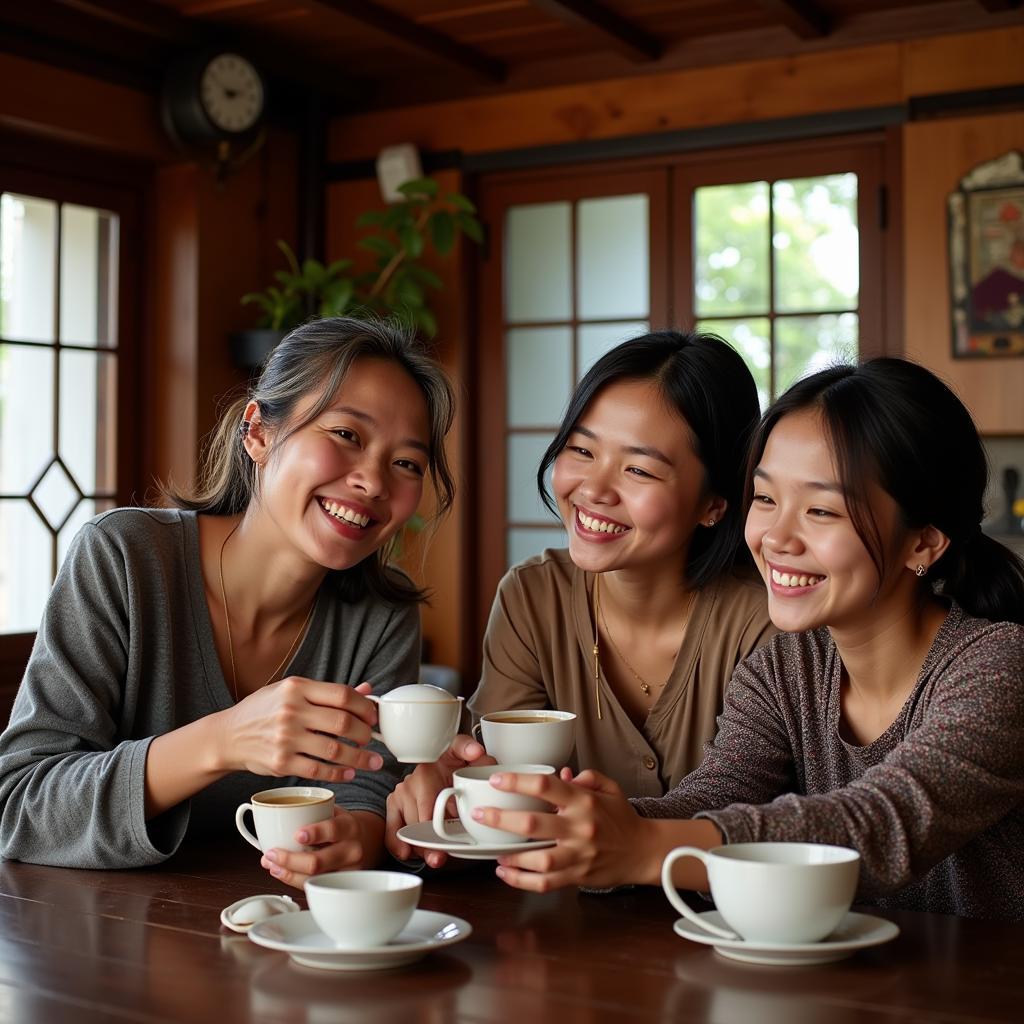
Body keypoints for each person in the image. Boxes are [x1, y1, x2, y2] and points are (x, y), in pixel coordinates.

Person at [472, 357, 1024, 920]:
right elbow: (718, 798)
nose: (776, 537)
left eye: (821, 509)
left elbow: (883, 821)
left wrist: (642, 846)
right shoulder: (785, 667)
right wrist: (602, 823)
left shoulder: (998, 666)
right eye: (765, 499)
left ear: (924, 542)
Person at [0, 316, 455, 891]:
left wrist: (355, 841)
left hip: (286, 941)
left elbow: (368, 788)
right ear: (258, 432)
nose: (372, 481)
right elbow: (20, 803)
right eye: (346, 435)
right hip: (100, 942)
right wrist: (224, 739)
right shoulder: (126, 559)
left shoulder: (381, 615)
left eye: (407, 463)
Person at [386, 330, 776, 864]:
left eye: (638, 469)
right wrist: (449, 786)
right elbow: (500, 784)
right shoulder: (532, 597)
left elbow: (749, 809)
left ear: (714, 502)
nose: (594, 489)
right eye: (581, 450)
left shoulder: (766, 623)